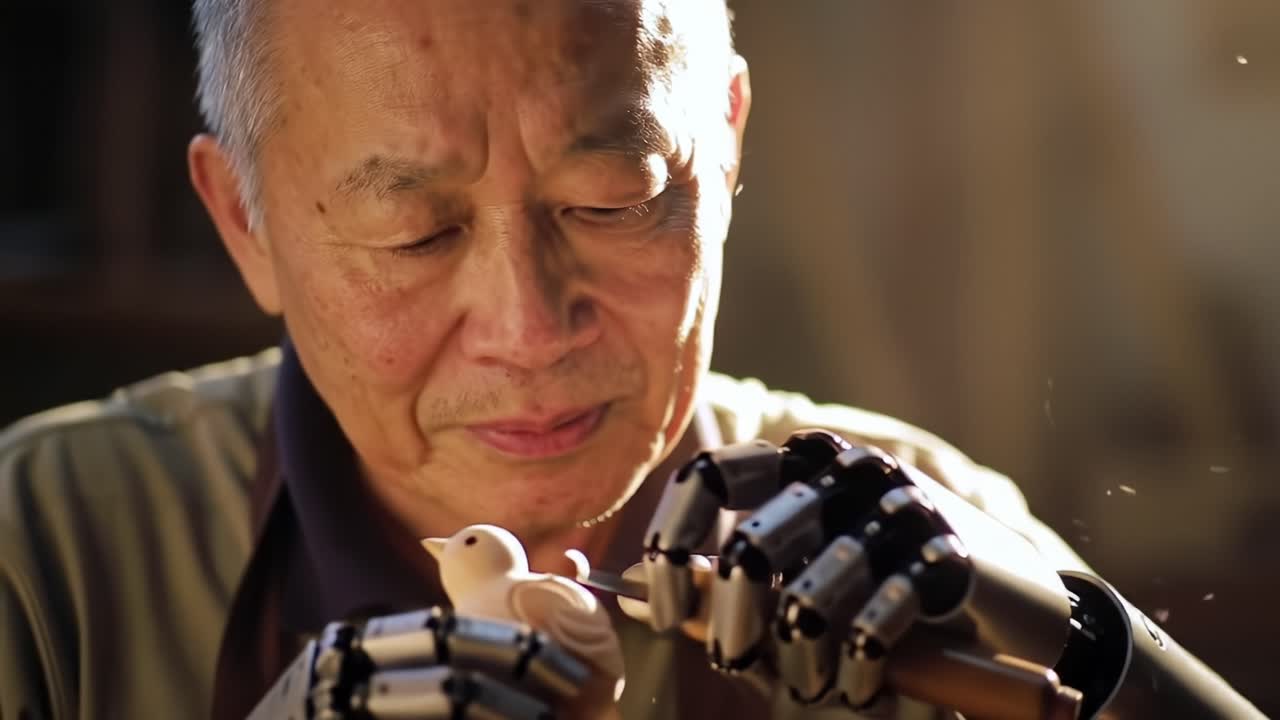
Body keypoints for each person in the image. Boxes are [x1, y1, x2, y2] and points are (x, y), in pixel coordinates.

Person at [0, 1, 1255, 719]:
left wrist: (1095, 666)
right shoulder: (45, 557)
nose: (528, 327)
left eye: (613, 201)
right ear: (245, 225)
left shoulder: (912, 539)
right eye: (412, 231)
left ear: (728, 145)